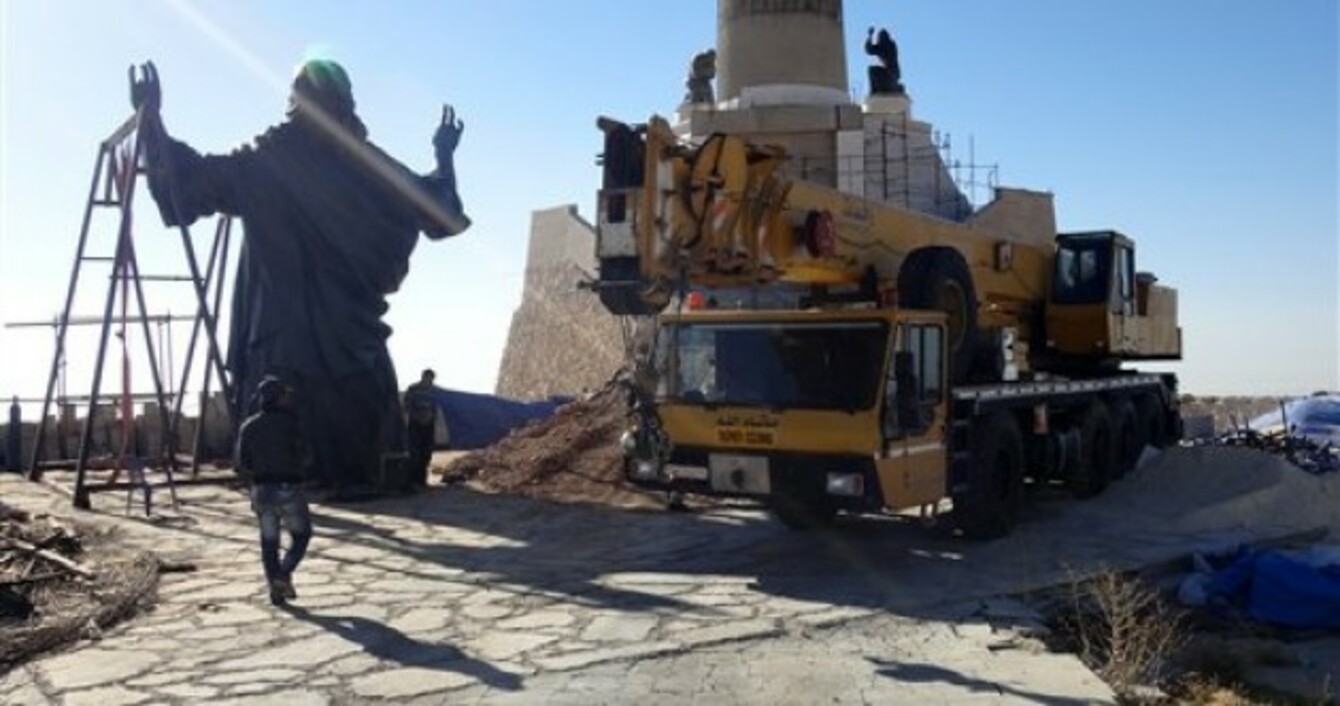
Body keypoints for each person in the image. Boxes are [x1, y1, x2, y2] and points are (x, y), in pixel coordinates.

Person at [130, 60, 471, 499]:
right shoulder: (364, 163)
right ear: (346, 104)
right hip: (347, 340)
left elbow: (190, 181)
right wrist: (443, 155)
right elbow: (439, 210)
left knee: (293, 413)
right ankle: (352, 476)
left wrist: (151, 122)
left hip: (283, 334)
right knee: (345, 414)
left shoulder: (268, 160)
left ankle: (318, 479)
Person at [235, 376, 311, 606]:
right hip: (288, 487)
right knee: (301, 536)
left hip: (261, 489)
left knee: (269, 543)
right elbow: (306, 456)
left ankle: (276, 592)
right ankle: (282, 575)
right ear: (279, 398)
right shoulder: (291, 424)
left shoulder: (249, 426)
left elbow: (241, 463)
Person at [403, 368, 440, 488]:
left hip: (428, 425)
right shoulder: (413, 389)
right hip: (416, 425)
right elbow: (407, 406)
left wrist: (431, 418)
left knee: (426, 453)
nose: (430, 381)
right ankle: (412, 480)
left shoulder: (434, 391)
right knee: (415, 453)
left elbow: (436, 407)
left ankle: (421, 480)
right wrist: (418, 417)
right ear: (423, 377)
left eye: (432, 379)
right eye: (428, 378)